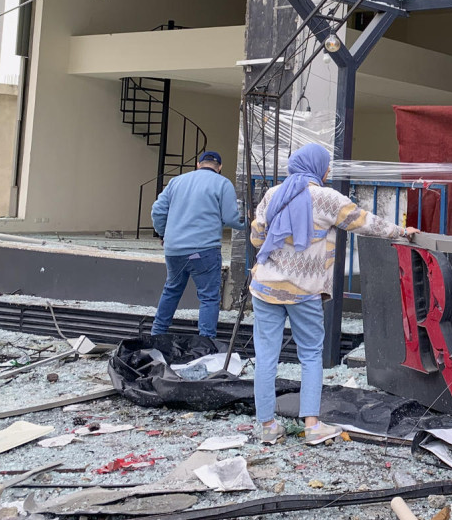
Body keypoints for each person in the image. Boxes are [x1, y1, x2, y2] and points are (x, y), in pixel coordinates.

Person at [249, 143, 418, 445]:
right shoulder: (326, 198)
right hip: (305, 291)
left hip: (266, 286)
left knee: (265, 356)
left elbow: (256, 237)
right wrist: (401, 232)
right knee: (311, 354)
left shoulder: (274, 194)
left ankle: (267, 427)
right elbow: (365, 223)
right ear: (317, 167)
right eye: (326, 165)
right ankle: (312, 426)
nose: (328, 170)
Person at [150, 151, 241, 339]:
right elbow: (232, 218)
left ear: (198, 165)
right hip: (204, 251)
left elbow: (158, 211)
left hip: (174, 250)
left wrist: (164, 234)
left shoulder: (176, 181)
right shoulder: (223, 184)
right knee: (208, 297)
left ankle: (156, 335)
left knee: (172, 289)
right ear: (220, 168)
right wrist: (254, 223)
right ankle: (206, 344)